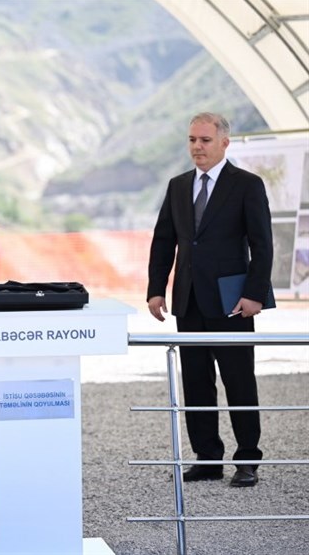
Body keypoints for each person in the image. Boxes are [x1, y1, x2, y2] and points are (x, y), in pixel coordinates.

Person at [146, 112, 274, 488]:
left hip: (232, 303)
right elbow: (163, 241)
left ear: (224, 143)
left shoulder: (247, 185)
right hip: (188, 300)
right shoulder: (178, 186)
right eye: (192, 140)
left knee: (239, 380)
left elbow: (262, 244)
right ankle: (207, 458)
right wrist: (156, 289)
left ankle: (247, 459)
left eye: (204, 140)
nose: (197, 147)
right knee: (196, 383)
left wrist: (254, 294)